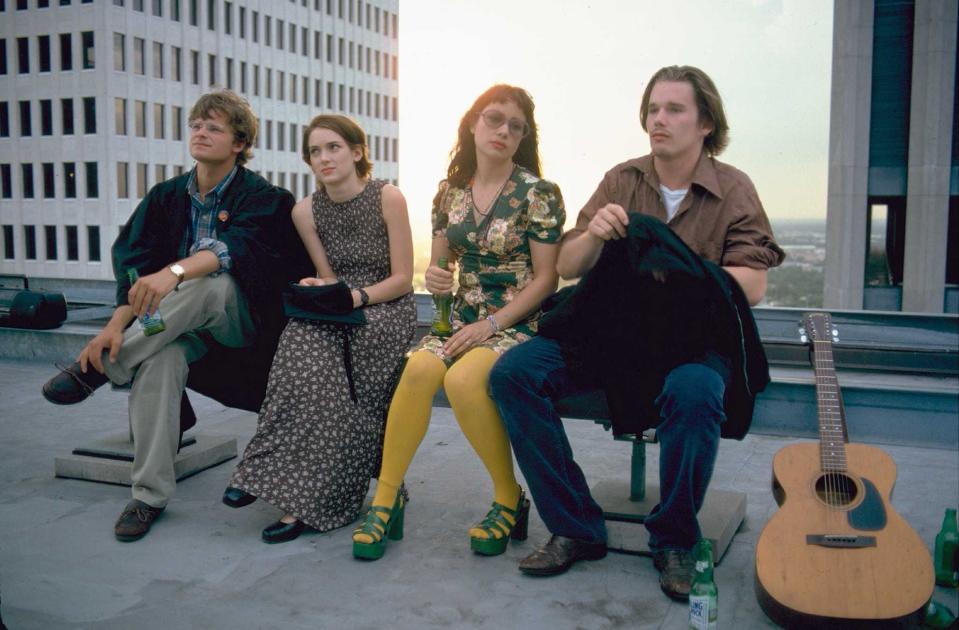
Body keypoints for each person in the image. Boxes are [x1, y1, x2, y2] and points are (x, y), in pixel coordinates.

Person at [488, 66, 785, 599]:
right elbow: (570, 264)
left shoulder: (734, 187)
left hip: (693, 340)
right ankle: (575, 526)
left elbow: (753, 283)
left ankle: (673, 538)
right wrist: (597, 234)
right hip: (613, 334)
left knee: (695, 393)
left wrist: (676, 270)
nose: (658, 120)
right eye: (652, 109)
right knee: (513, 373)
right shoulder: (622, 178)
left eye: (674, 110)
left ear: (706, 124)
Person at [41, 89, 308, 541]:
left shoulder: (265, 197)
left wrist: (175, 271)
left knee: (209, 282)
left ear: (239, 143)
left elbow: (236, 250)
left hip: (242, 325)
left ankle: (106, 367)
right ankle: (148, 495)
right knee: (160, 363)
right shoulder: (166, 198)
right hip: (175, 326)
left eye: (215, 127)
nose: (201, 132)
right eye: (197, 125)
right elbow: (136, 267)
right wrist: (112, 327)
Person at [351, 84, 565, 560]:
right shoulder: (449, 193)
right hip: (461, 320)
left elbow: (547, 278)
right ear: (472, 124)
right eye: (494, 119)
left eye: (516, 126)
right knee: (418, 370)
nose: (503, 131)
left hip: (517, 320)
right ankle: (385, 500)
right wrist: (435, 276)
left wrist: (491, 326)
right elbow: (442, 268)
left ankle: (509, 498)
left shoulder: (538, 194)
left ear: (523, 137)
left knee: (467, 380)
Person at [224, 114, 417, 543]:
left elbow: (403, 279)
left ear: (357, 152)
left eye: (333, 147)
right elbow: (328, 276)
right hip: (340, 304)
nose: (324, 158)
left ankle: (315, 501)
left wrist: (358, 296)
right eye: (315, 151)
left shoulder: (388, 197)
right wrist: (322, 288)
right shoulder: (305, 211)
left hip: (386, 308)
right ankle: (263, 471)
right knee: (298, 344)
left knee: (335, 377)